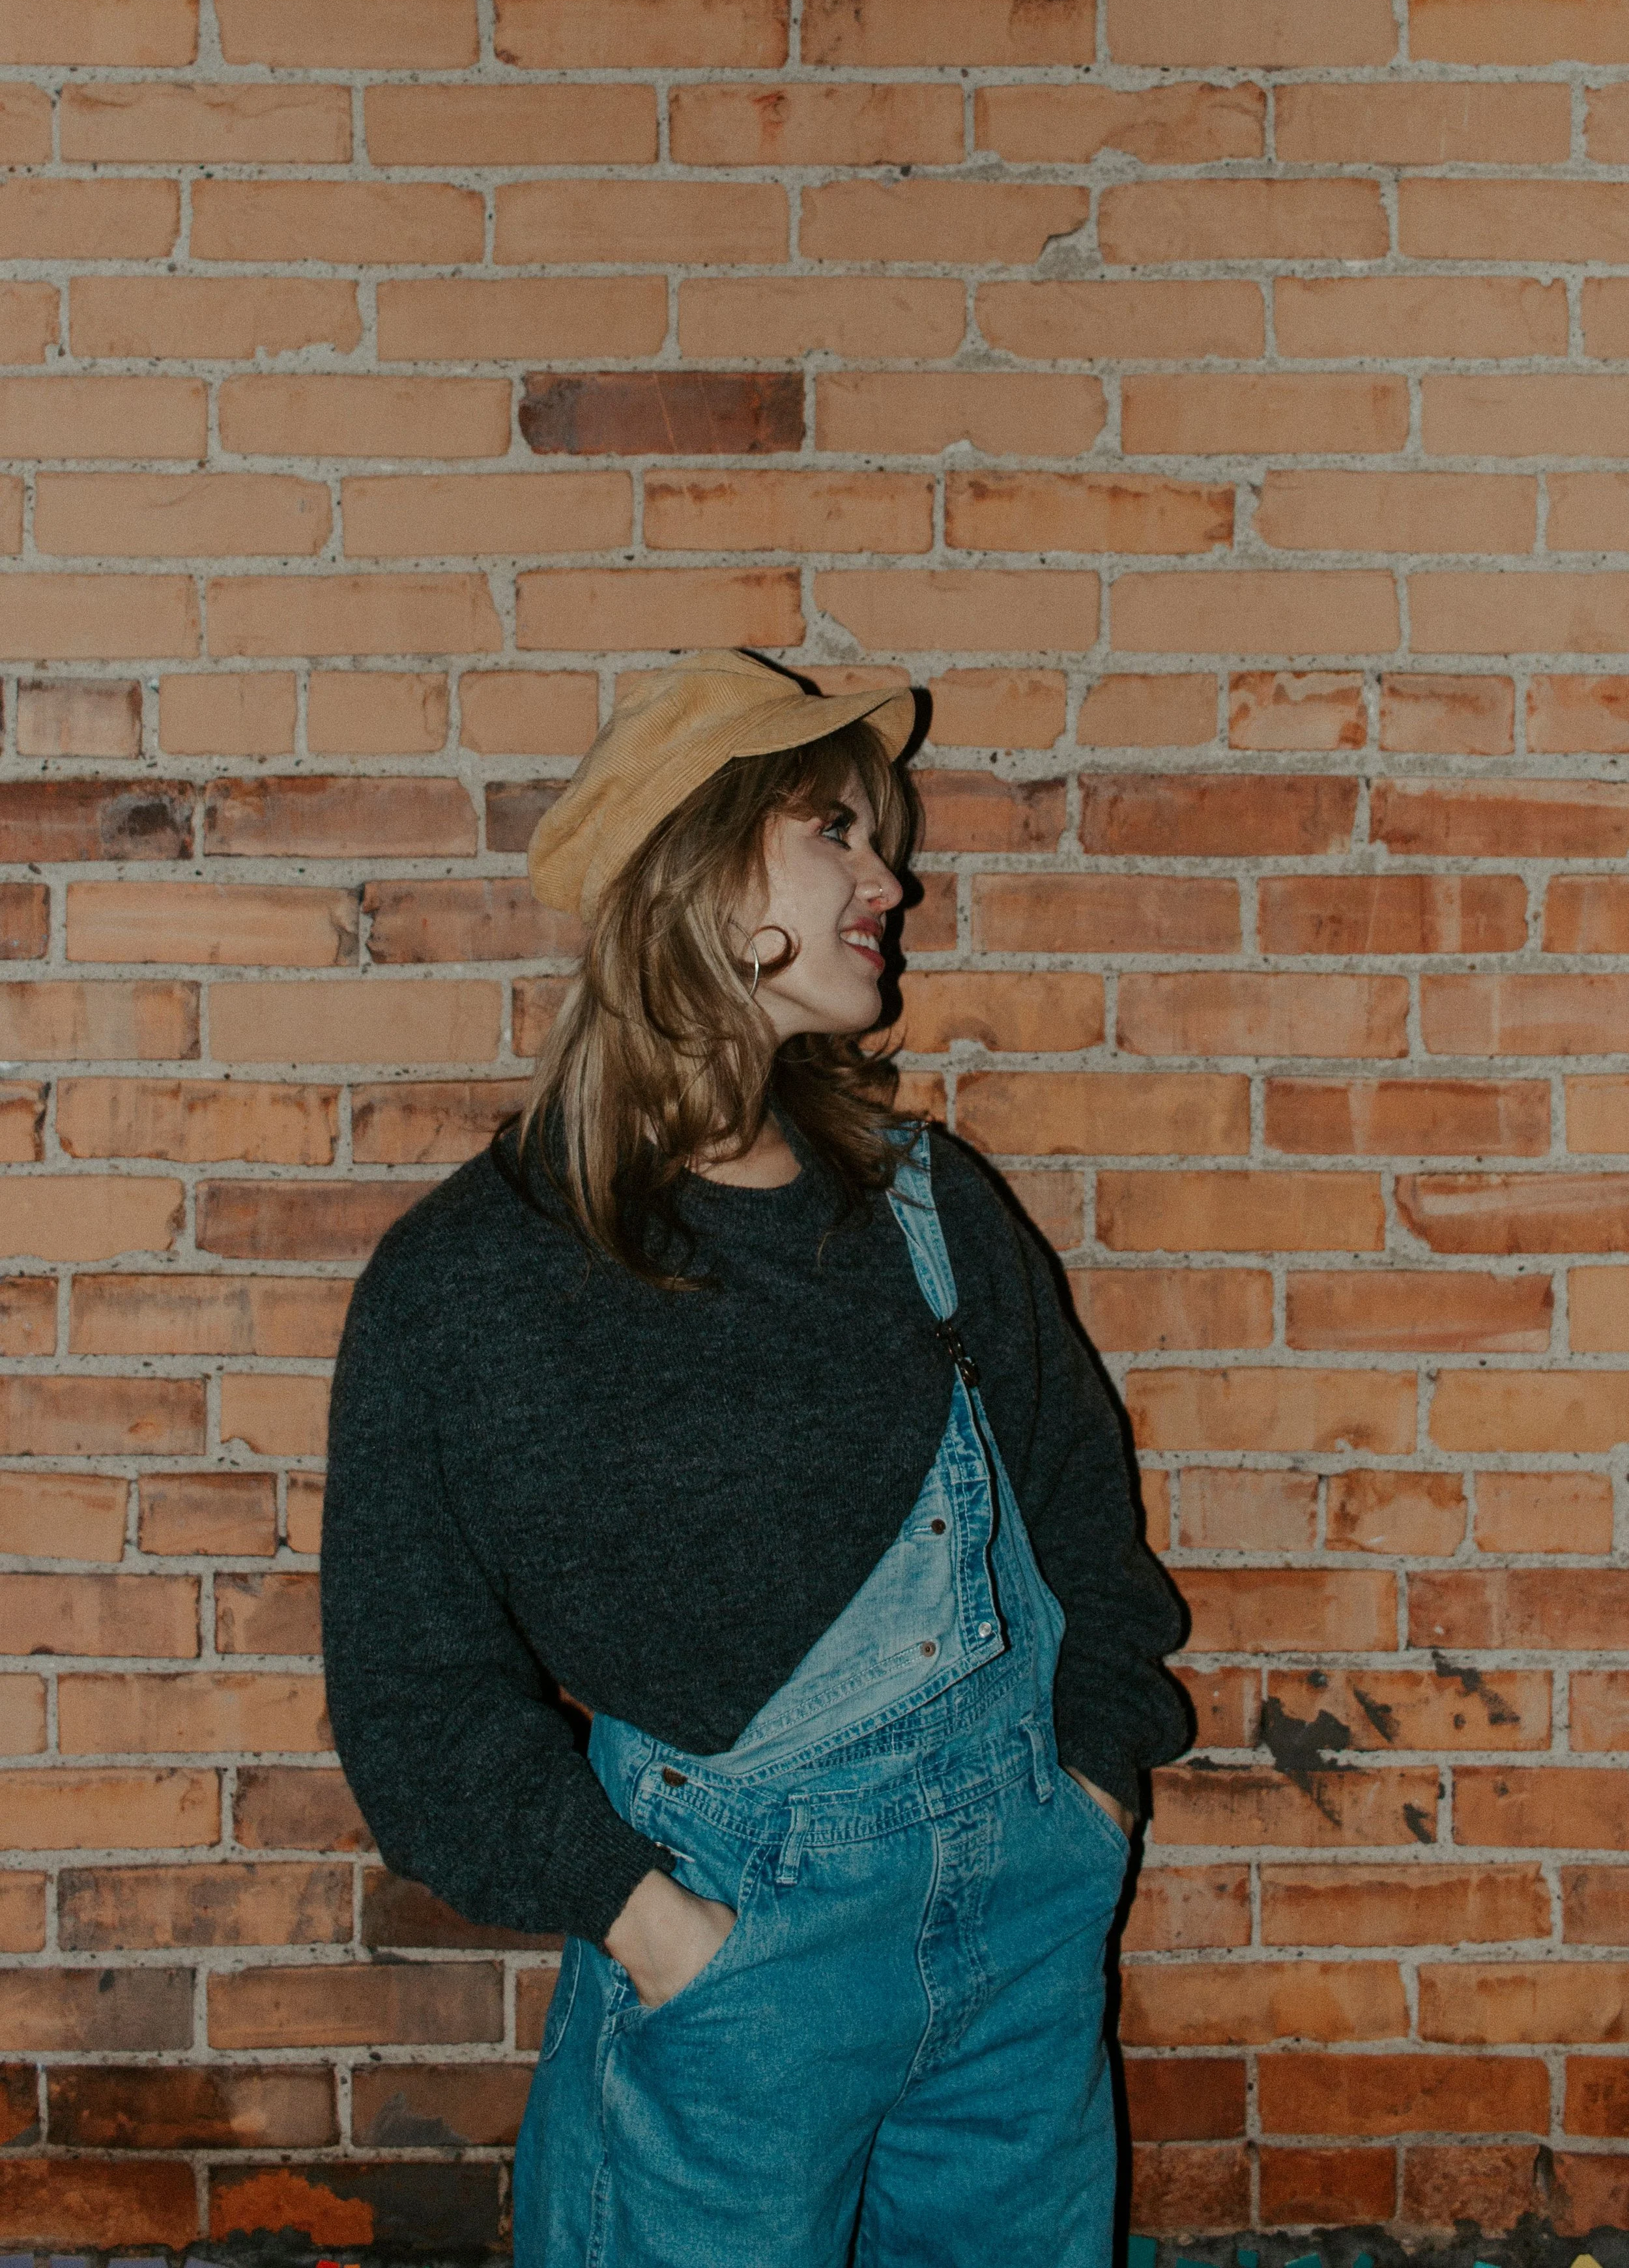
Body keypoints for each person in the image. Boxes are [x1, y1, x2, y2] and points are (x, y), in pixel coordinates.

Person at [321, 648, 1190, 2268]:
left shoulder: (928, 1209)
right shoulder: (471, 1284)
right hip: (737, 1984)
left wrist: (1090, 1785)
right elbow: (414, 1696)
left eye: (878, 840)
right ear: (699, 877)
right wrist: (663, 1935)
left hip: (1022, 1924)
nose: (891, 879)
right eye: (834, 834)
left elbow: (1081, 1508)